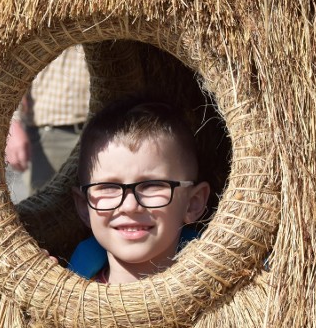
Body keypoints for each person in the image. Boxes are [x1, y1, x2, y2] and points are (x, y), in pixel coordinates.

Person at [67, 99, 210, 284]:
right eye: (109, 187)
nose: (130, 206)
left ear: (193, 203)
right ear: (85, 207)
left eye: (152, 185)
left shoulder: (228, 295)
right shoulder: (65, 296)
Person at [6, 45, 91, 196]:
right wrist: (13, 122)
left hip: (107, 115)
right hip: (53, 129)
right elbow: (11, 58)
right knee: (49, 208)